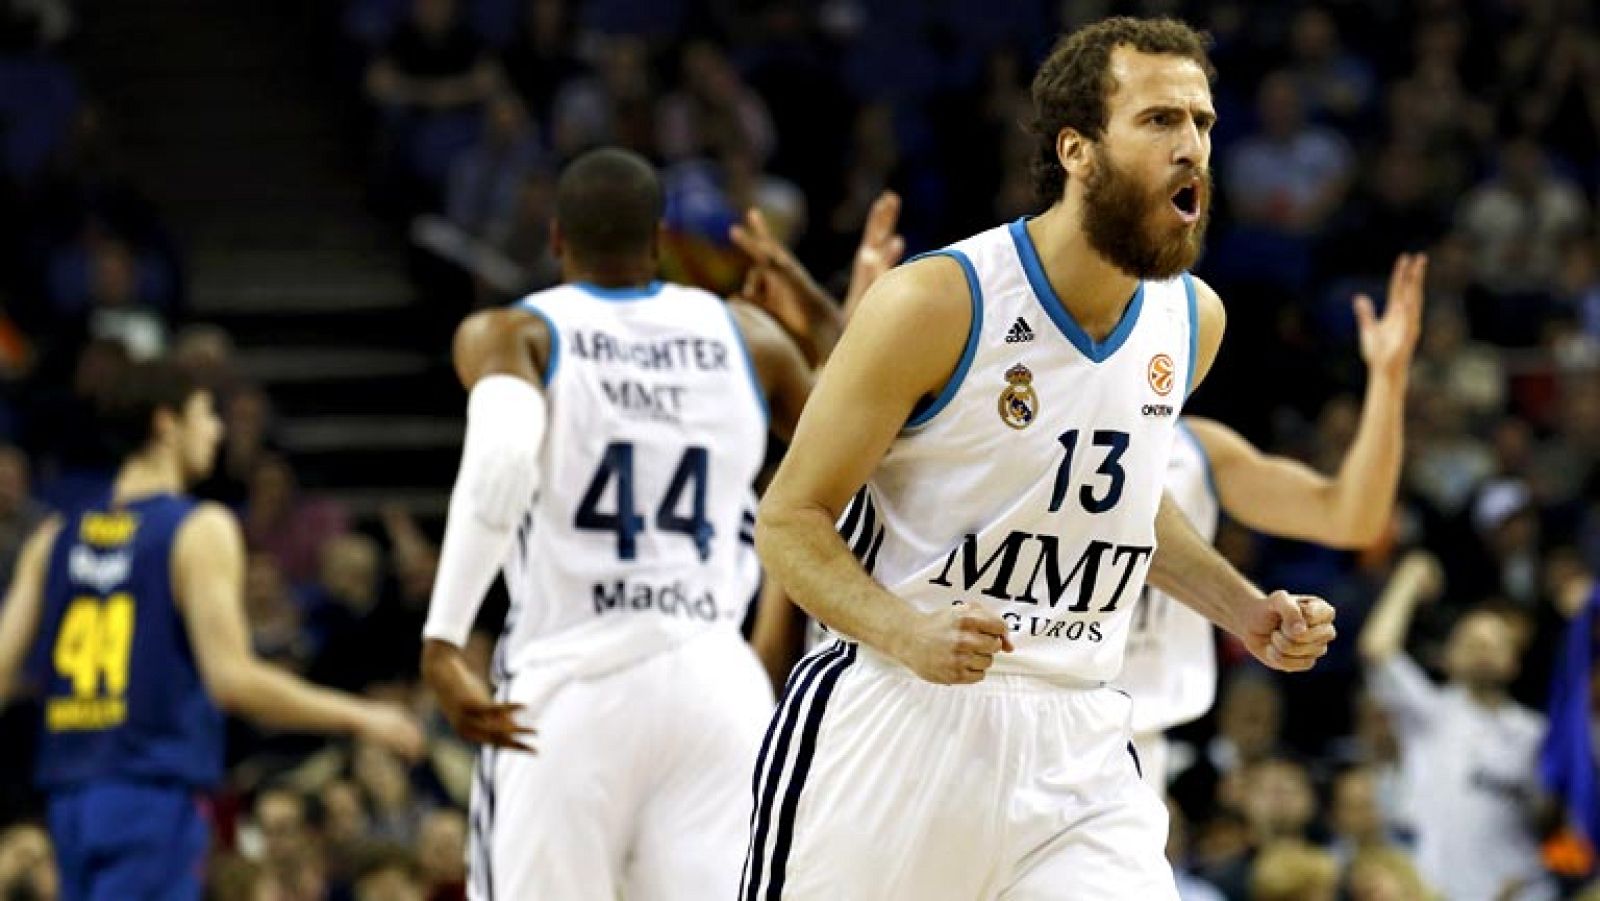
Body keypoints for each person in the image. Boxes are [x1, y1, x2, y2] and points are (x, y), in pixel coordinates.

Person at [748, 17, 1335, 899]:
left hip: (1081, 733)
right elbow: (787, 521)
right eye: (1160, 122)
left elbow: (1121, 495)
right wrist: (907, 630)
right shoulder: (939, 302)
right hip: (898, 716)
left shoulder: (1191, 319)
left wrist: (1241, 608)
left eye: (1204, 124)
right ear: (1078, 151)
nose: (1193, 149)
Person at [418, 147, 842, 900]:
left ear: (556, 239)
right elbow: (865, 452)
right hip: (715, 684)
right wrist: (821, 319)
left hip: (569, 682)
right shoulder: (748, 337)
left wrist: (445, 638)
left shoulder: (515, 332)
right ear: (659, 243)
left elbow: (503, 458)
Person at [0, 361, 423, 900]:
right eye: (204, 415)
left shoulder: (53, 537)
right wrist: (363, 716)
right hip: (152, 795)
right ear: (165, 424)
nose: (217, 430)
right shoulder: (198, 529)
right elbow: (232, 679)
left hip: (68, 800)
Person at [1121, 252, 1426, 790]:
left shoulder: (1195, 449)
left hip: (1138, 745)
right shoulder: (1029, 429)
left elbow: (1350, 517)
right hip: (1024, 711)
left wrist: (1388, 380)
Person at [1358, 550, 1555, 900]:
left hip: (1517, 889)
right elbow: (1377, 649)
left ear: (1514, 662)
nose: (1482, 648)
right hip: (1436, 888)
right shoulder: (1428, 712)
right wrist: (1408, 578)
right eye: (1470, 641)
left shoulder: (1535, 733)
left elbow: (1554, 816)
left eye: (1495, 642)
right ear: (1448, 657)